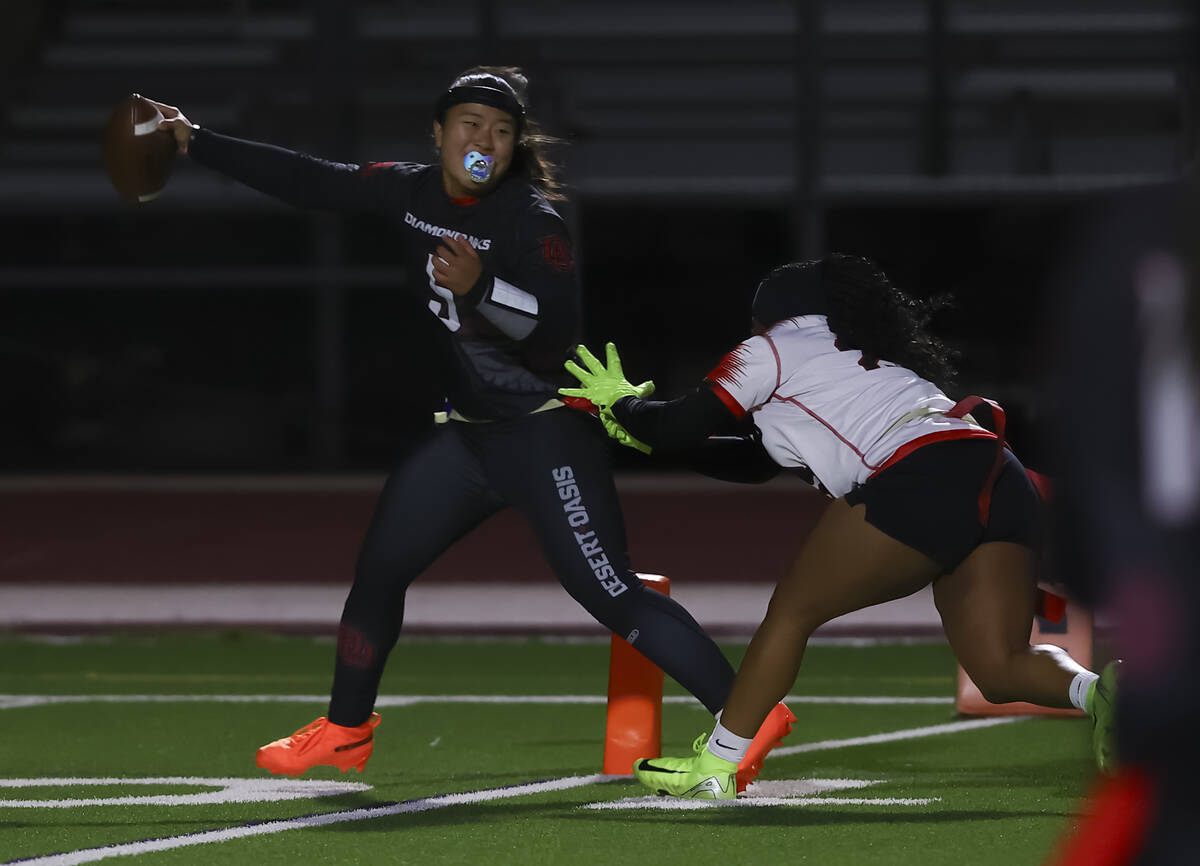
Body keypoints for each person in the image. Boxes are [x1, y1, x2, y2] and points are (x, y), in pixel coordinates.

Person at [147, 66, 793, 781]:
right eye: (470, 123)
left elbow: (556, 333)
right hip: (469, 438)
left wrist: (482, 287)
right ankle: (346, 728)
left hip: (546, 435)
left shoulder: (530, 221)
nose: (484, 139)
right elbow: (312, 180)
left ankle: (749, 714)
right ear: (439, 132)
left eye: (501, 130)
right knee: (380, 572)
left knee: (610, 592)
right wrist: (195, 140)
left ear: (515, 146)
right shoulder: (411, 190)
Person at [560, 253, 1115, 800]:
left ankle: (717, 765)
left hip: (925, 473)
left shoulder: (773, 346)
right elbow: (752, 461)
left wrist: (626, 409)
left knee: (792, 612)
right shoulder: (858, 357)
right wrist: (643, 436)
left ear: (770, 314)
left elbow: (682, 424)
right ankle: (1103, 692)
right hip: (998, 471)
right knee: (999, 667)